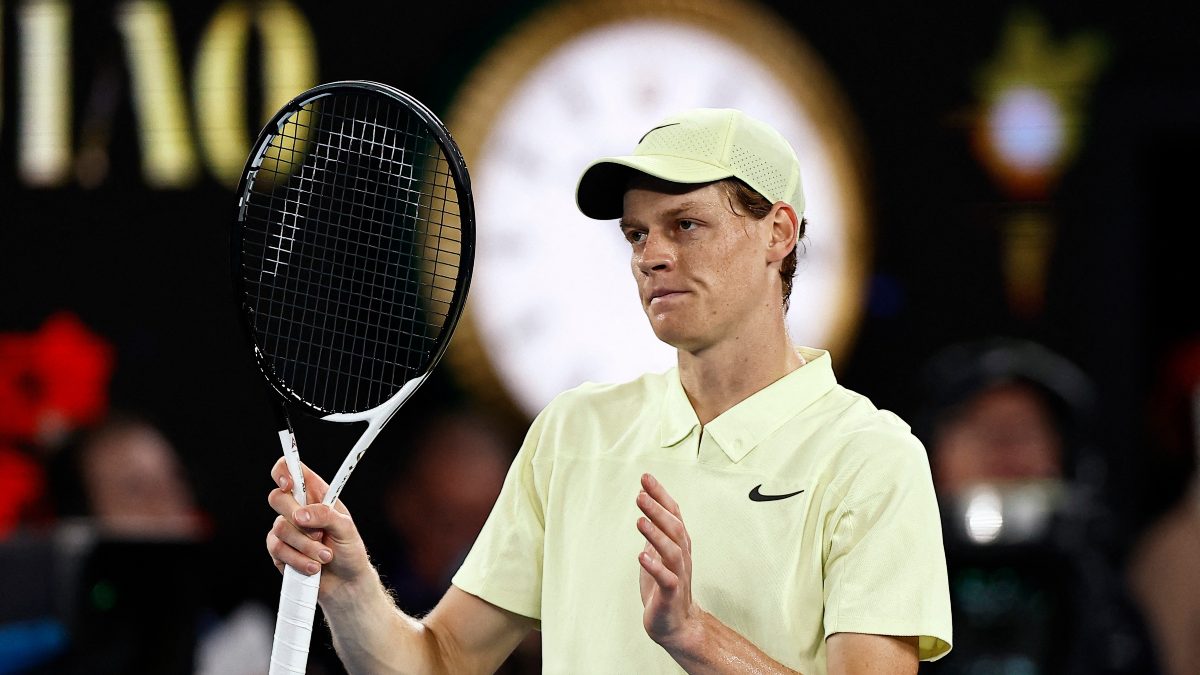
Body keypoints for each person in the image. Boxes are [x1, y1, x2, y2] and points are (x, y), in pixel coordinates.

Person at [267, 108, 953, 673]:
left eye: (685, 224)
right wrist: (351, 587)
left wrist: (694, 635)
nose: (650, 255)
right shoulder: (574, 431)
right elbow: (440, 661)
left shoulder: (872, 458)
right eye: (636, 233)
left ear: (778, 231)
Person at [913, 338, 1160, 675]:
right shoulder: (881, 574)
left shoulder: (1096, 587)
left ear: (1065, 457)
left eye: (1025, 427)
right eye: (980, 425)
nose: (1004, 446)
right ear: (930, 450)